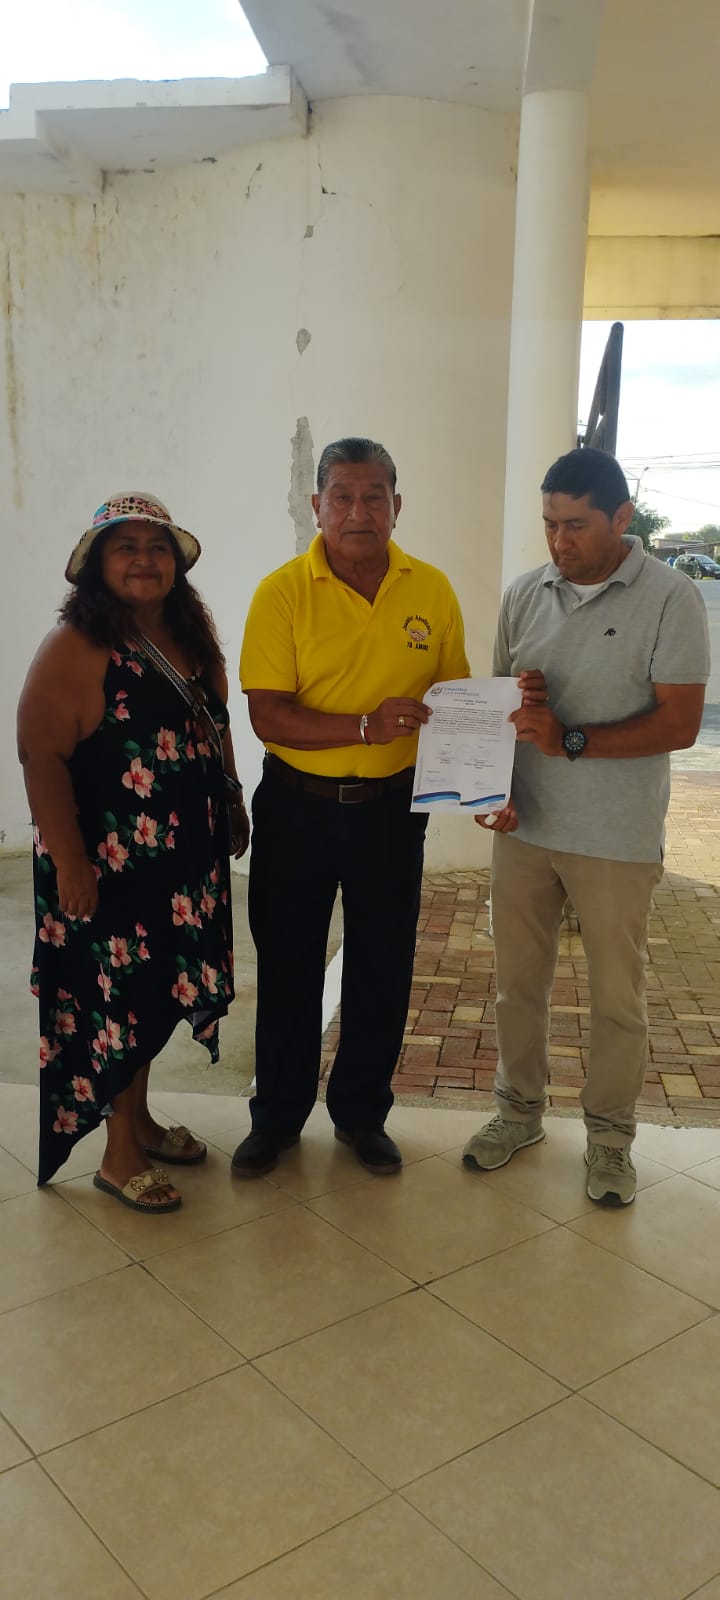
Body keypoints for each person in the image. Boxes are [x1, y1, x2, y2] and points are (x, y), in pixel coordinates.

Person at [463, 447, 710, 1205]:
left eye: (576, 525)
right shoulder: (524, 594)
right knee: (517, 985)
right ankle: (518, 1114)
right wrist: (491, 790)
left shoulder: (671, 597)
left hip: (616, 837)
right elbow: (503, 709)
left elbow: (680, 723)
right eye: (549, 523)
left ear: (621, 517)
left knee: (616, 997)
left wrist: (569, 737)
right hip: (525, 830)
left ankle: (609, 1140)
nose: (559, 540)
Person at [233, 437, 469, 1177]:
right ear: (317, 506)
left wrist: (484, 780)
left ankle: (362, 1115)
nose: (358, 512)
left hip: (392, 812)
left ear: (397, 506)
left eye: (374, 497)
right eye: (342, 496)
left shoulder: (432, 590)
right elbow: (268, 716)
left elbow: (454, 705)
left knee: (382, 965)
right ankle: (276, 1119)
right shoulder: (281, 592)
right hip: (296, 808)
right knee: (289, 964)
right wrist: (365, 727)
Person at [17, 492, 249, 1211]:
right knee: (116, 1005)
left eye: (158, 547)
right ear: (98, 565)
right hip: (105, 865)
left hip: (178, 864)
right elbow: (40, 757)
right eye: (127, 547)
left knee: (151, 996)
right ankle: (118, 1156)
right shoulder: (75, 645)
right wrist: (71, 864)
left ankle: (139, 1122)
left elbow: (215, 725)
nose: (144, 560)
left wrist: (233, 799)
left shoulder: (189, 636)